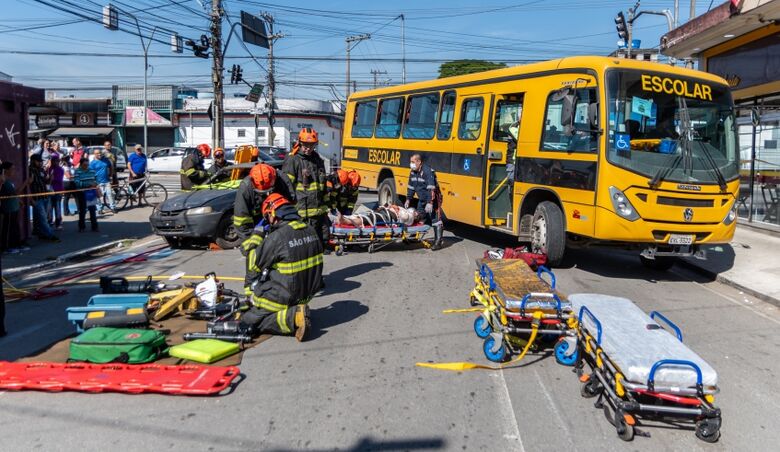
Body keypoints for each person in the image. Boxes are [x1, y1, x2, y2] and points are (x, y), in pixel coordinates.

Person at [239, 193, 322, 341]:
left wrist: (257, 236)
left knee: (248, 321)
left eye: (267, 217)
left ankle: (293, 318)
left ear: (273, 214)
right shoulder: (310, 230)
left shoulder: (277, 237)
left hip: (286, 294)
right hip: (307, 293)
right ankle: (295, 311)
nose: (268, 221)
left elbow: (254, 262)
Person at [233, 163, 295, 293]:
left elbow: (290, 207)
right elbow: (241, 220)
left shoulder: (283, 180)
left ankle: (279, 284)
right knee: (254, 254)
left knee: (279, 253)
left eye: (269, 191)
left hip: (278, 221)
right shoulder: (245, 187)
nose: (266, 194)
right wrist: (249, 243)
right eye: (262, 193)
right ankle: (251, 291)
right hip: (256, 224)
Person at [282, 128, 329, 244]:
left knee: (322, 245)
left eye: (312, 145)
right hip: (302, 214)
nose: (308, 148)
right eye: (306, 145)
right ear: (299, 143)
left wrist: (329, 207)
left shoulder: (317, 160)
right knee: (305, 247)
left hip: (320, 214)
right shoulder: (293, 159)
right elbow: (286, 186)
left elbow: (322, 186)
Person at [405, 154, 443, 250]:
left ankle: (438, 242)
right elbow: (411, 187)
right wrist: (408, 199)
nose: (411, 164)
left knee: (435, 220)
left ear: (419, 162)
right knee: (418, 216)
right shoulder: (413, 172)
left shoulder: (427, 171)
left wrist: (430, 202)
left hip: (433, 199)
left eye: (413, 162)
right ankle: (415, 236)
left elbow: (431, 189)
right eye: (411, 162)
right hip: (422, 199)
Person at [19, 154, 58, 242]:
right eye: (38, 161)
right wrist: (31, 199)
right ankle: (50, 235)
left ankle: (40, 233)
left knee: (41, 218)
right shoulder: (29, 170)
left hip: (44, 196)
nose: (40, 163)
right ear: (33, 161)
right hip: (37, 198)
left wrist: (50, 178)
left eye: (41, 161)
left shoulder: (42, 170)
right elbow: (28, 185)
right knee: (43, 218)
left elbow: (46, 182)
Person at [0, 162, 29, 254]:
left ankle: (16, 244)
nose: (13, 171)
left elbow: (13, 194)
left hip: (14, 207)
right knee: (8, 229)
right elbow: (15, 193)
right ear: (6, 170)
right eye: (12, 169)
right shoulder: (4, 182)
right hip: (8, 209)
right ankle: (6, 247)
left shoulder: (9, 181)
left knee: (15, 228)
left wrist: (19, 201)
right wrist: (25, 183)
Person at [74, 157, 100, 232]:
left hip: (91, 193)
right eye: (84, 165)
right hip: (82, 193)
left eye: (87, 165)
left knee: (92, 210)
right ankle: (81, 227)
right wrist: (88, 184)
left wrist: (95, 184)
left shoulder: (92, 170)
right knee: (82, 210)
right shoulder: (77, 171)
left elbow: (96, 180)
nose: (86, 166)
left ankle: (94, 226)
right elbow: (77, 182)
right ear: (81, 164)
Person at [89, 148, 114, 214]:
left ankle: (113, 207)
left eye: (100, 152)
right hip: (98, 181)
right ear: (94, 154)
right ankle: (99, 209)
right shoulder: (92, 163)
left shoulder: (105, 160)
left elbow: (111, 167)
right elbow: (91, 173)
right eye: (97, 153)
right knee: (98, 196)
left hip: (106, 180)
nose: (99, 154)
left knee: (110, 194)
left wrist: (111, 175)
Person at [47, 154, 64, 230]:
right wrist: (49, 179)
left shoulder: (60, 169)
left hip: (58, 190)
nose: (55, 162)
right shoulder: (49, 169)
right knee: (49, 207)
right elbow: (47, 179)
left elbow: (59, 180)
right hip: (50, 191)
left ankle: (58, 223)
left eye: (57, 161)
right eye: (53, 161)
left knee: (57, 207)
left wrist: (51, 179)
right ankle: (50, 222)